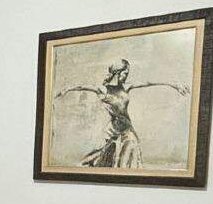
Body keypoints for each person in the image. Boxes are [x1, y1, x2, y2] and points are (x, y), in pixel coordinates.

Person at [55, 58, 190, 169]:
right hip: (113, 128)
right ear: (117, 73)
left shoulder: (126, 87)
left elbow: (148, 83)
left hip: (126, 126)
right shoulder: (103, 89)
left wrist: (173, 84)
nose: (127, 76)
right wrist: (66, 89)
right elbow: (83, 87)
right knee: (104, 152)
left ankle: (127, 173)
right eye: (125, 73)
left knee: (132, 144)